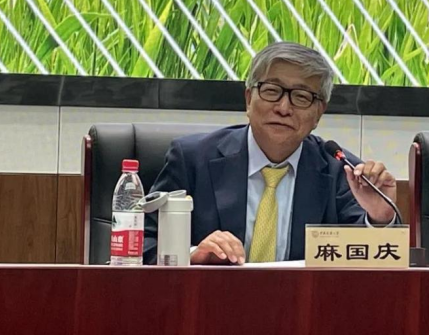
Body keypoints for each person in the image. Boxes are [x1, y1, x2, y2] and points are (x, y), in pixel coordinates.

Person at [144, 42, 400, 265]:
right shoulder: (192, 159)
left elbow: (372, 262)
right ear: (248, 99)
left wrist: (380, 218)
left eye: (301, 96)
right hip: (208, 302)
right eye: (271, 91)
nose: (283, 108)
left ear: (319, 113)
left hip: (305, 304)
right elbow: (143, 241)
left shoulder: (343, 172)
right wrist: (192, 254)